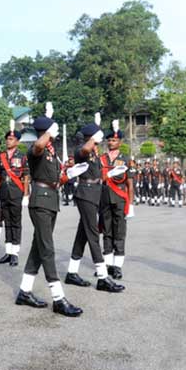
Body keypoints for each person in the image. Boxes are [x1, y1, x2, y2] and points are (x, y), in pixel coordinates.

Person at [16, 105, 82, 317]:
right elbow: (37, 146)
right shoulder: (37, 149)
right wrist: (48, 130)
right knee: (47, 248)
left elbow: (55, 179)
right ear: (45, 133)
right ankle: (58, 298)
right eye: (52, 132)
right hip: (40, 201)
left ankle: (24, 291)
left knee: (38, 247)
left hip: (51, 200)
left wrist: (69, 174)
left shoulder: (52, 153)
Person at [63, 120, 124, 293]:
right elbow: (83, 151)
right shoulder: (82, 149)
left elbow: (96, 173)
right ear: (91, 137)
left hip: (95, 192)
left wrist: (111, 173)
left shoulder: (95, 153)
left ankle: (72, 272)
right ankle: (103, 277)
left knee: (82, 234)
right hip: (86, 193)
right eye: (97, 136)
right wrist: (92, 141)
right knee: (93, 234)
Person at [99, 120, 135, 280]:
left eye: (114, 140)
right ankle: (107, 263)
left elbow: (130, 183)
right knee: (106, 230)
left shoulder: (126, 159)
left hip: (120, 197)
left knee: (119, 231)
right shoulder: (102, 159)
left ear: (120, 142)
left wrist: (131, 204)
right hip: (104, 197)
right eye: (109, 140)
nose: (111, 142)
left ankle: (118, 266)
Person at [0, 127, 29, 266]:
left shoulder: (22, 156)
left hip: (16, 192)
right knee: (7, 222)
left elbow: (26, 176)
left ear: (17, 141)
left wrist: (26, 194)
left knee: (16, 222)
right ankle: (8, 252)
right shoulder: (1, 156)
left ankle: (15, 253)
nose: (8, 142)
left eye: (11, 139)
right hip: (4, 192)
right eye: (7, 139)